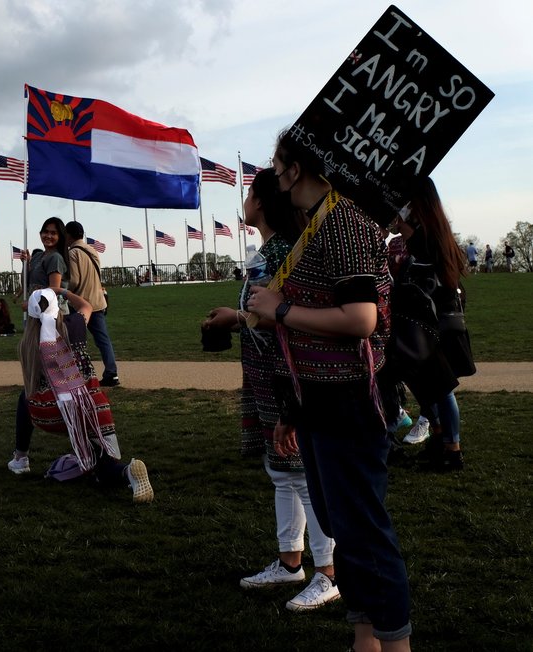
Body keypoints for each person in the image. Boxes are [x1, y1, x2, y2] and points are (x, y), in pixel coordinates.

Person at [246, 129, 411, 651]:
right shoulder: (320, 224)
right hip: (320, 399)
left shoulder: (341, 223)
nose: (273, 174)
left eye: (277, 163)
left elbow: (361, 318)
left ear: (295, 169)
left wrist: (280, 309)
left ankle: (394, 642)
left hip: (350, 402)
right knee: (344, 524)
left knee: (363, 533)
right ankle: (366, 636)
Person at [204, 168, 338, 612]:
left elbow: (281, 312)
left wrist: (236, 318)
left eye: (248, 194)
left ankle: (328, 572)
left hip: (284, 370)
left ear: (260, 202)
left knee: (300, 471)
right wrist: (236, 315)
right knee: (282, 471)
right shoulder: (272, 249)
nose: (244, 200)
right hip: (266, 370)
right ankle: (290, 561)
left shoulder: (283, 249)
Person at [7, 287, 153, 504]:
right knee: (104, 468)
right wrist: (62, 290)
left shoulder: (27, 342)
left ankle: (20, 457)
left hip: (49, 413)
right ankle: (127, 471)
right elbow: (87, 306)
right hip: (92, 409)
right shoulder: (74, 326)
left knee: (25, 396)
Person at [388, 178, 470, 471]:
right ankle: (439, 440)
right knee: (426, 385)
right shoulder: (425, 237)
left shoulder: (427, 240)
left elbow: (427, 285)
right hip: (425, 322)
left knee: (441, 387)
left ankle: (452, 450)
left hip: (433, 324)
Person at [65, 221, 120, 387]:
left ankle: (75, 374)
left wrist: (64, 291)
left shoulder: (73, 252)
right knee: (103, 340)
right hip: (98, 300)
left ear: (69, 235)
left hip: (81, 303)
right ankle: (112, 373)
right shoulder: (92, 250)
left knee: (74, 340)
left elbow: (75, 280)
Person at [21, 217, 69, 299]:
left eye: (53, 233)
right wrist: (25, 263)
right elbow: (25, 284)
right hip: (37, 309)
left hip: (52, 310)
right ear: (40, 234)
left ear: (60, 236)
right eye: (45, 232)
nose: (48, 236)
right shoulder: (37, 256)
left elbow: (53, 292)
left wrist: (29, 304)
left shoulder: (55, 258)